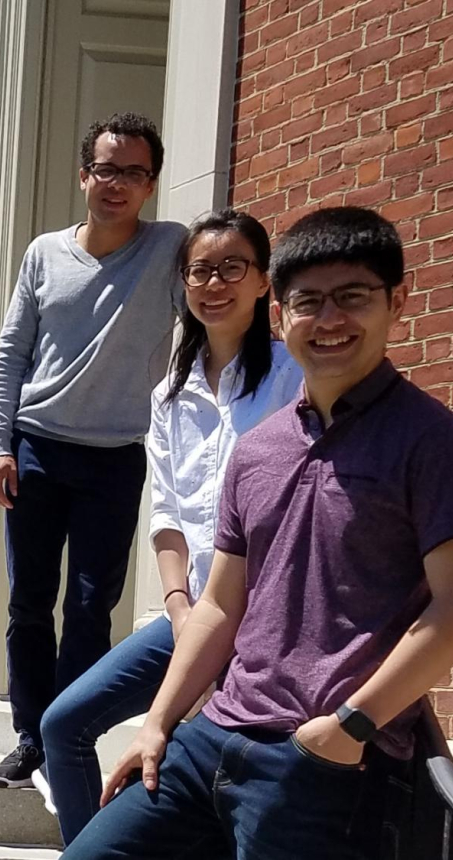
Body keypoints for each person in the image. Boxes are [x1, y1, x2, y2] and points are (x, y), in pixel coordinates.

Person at [64, 207, 453, 859]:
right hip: (209, 740)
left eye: (353, 298)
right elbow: (219, 604)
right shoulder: (257, 449)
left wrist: (346, 728)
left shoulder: (431, 440)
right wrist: (158, 722)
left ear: (398, 302)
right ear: (280, 315)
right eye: (308, 302)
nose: (329, 320)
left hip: (324, 763)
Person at [35, 209, 302, 845]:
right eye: (199, 271)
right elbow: (168, 518)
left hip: (268, 625)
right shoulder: (169, 393)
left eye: (232, 268)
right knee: (62, 724)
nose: (215, 283)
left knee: (202, 761)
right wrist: (180, 608)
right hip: (191, 614)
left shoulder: (297, 378)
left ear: (264, 281)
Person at [0, 113, 188, 788]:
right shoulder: (44, 253)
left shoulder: (170, 249)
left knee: (92, 608)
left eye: (133, 172)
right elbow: (10, 353)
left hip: (115, 456)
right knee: (29, 604)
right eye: (106, 168)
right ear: (83, 176)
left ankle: (67, 734)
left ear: (151, 185)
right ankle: (28, 740)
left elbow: (222, 297)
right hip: (36, 449)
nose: (117, 184)